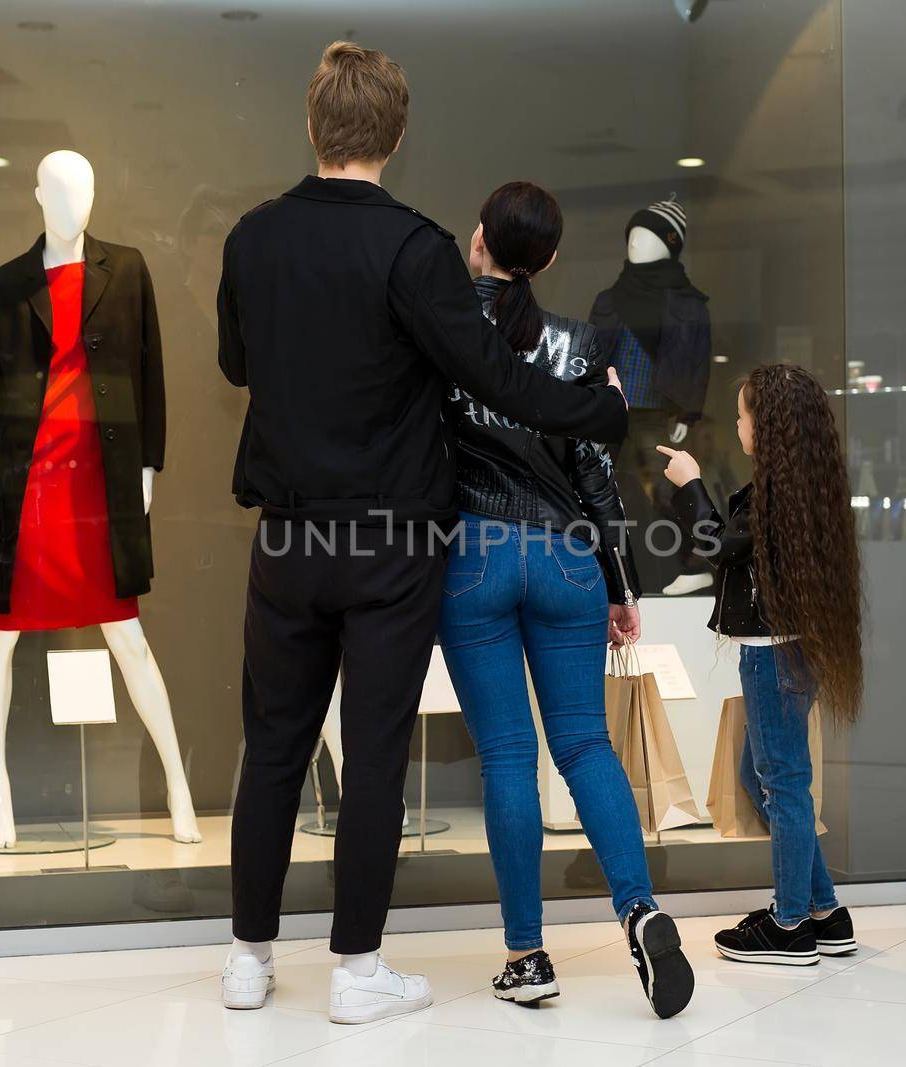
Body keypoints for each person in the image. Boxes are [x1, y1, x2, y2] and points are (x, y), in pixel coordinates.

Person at [216, 43, 628, 1024]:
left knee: (271, 748)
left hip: (286, 540)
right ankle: (356, 970)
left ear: (313, 126)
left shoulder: (251, 238)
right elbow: (494, 375)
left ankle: (247, 958)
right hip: (390, 541)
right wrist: (598, 412)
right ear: (394, 135)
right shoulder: (414, 247)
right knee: (373, 755)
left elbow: (237, 362)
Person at [437, 182, 693, 1018]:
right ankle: (640, 910)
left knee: (509, 758)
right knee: (586, 747)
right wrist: (621, 585)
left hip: (474, 555)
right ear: (546, 261)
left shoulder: (441, 335)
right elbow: (597, 476)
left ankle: (527, 955)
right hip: (569, 560)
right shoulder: (579, 343)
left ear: (478, 240)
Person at [657, 364, 863, 966]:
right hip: (790, 652)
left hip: (775, 657)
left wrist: (691, 484)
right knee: (765, 779)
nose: (739, 425)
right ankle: (824, 911)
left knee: (783, 784)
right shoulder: (801, 486)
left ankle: (790, 923)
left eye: (744, 415)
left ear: (766, 425)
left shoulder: (780, 493)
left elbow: (715, 547)